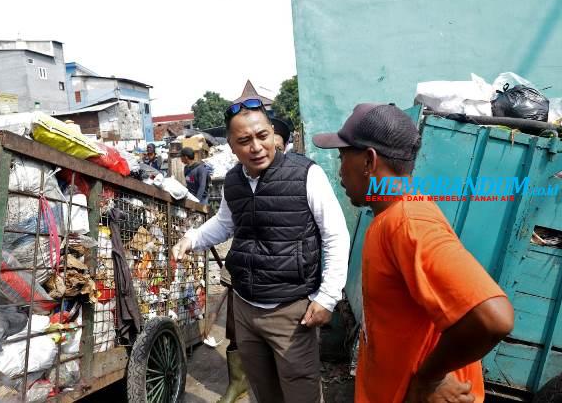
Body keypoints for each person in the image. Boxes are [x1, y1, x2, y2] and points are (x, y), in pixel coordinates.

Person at [312, 103, 514, 403]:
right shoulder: (390, 217)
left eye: (343, 157)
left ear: (369, 160)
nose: (340, 170)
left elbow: (494, 318)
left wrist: (429, 378)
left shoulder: (408, 222)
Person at [172, 97, 350, 403]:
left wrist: (328, 297)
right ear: (231, 146)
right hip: (244, 307)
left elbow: (335, 235)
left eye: (262, 136)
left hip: (291, 310)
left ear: (272, 133)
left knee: (301, 393)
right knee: (263, 391)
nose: (256, 147)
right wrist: (192, 238)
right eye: (244, 141)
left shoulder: (306, 175)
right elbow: (225, 223)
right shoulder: (233, 181)